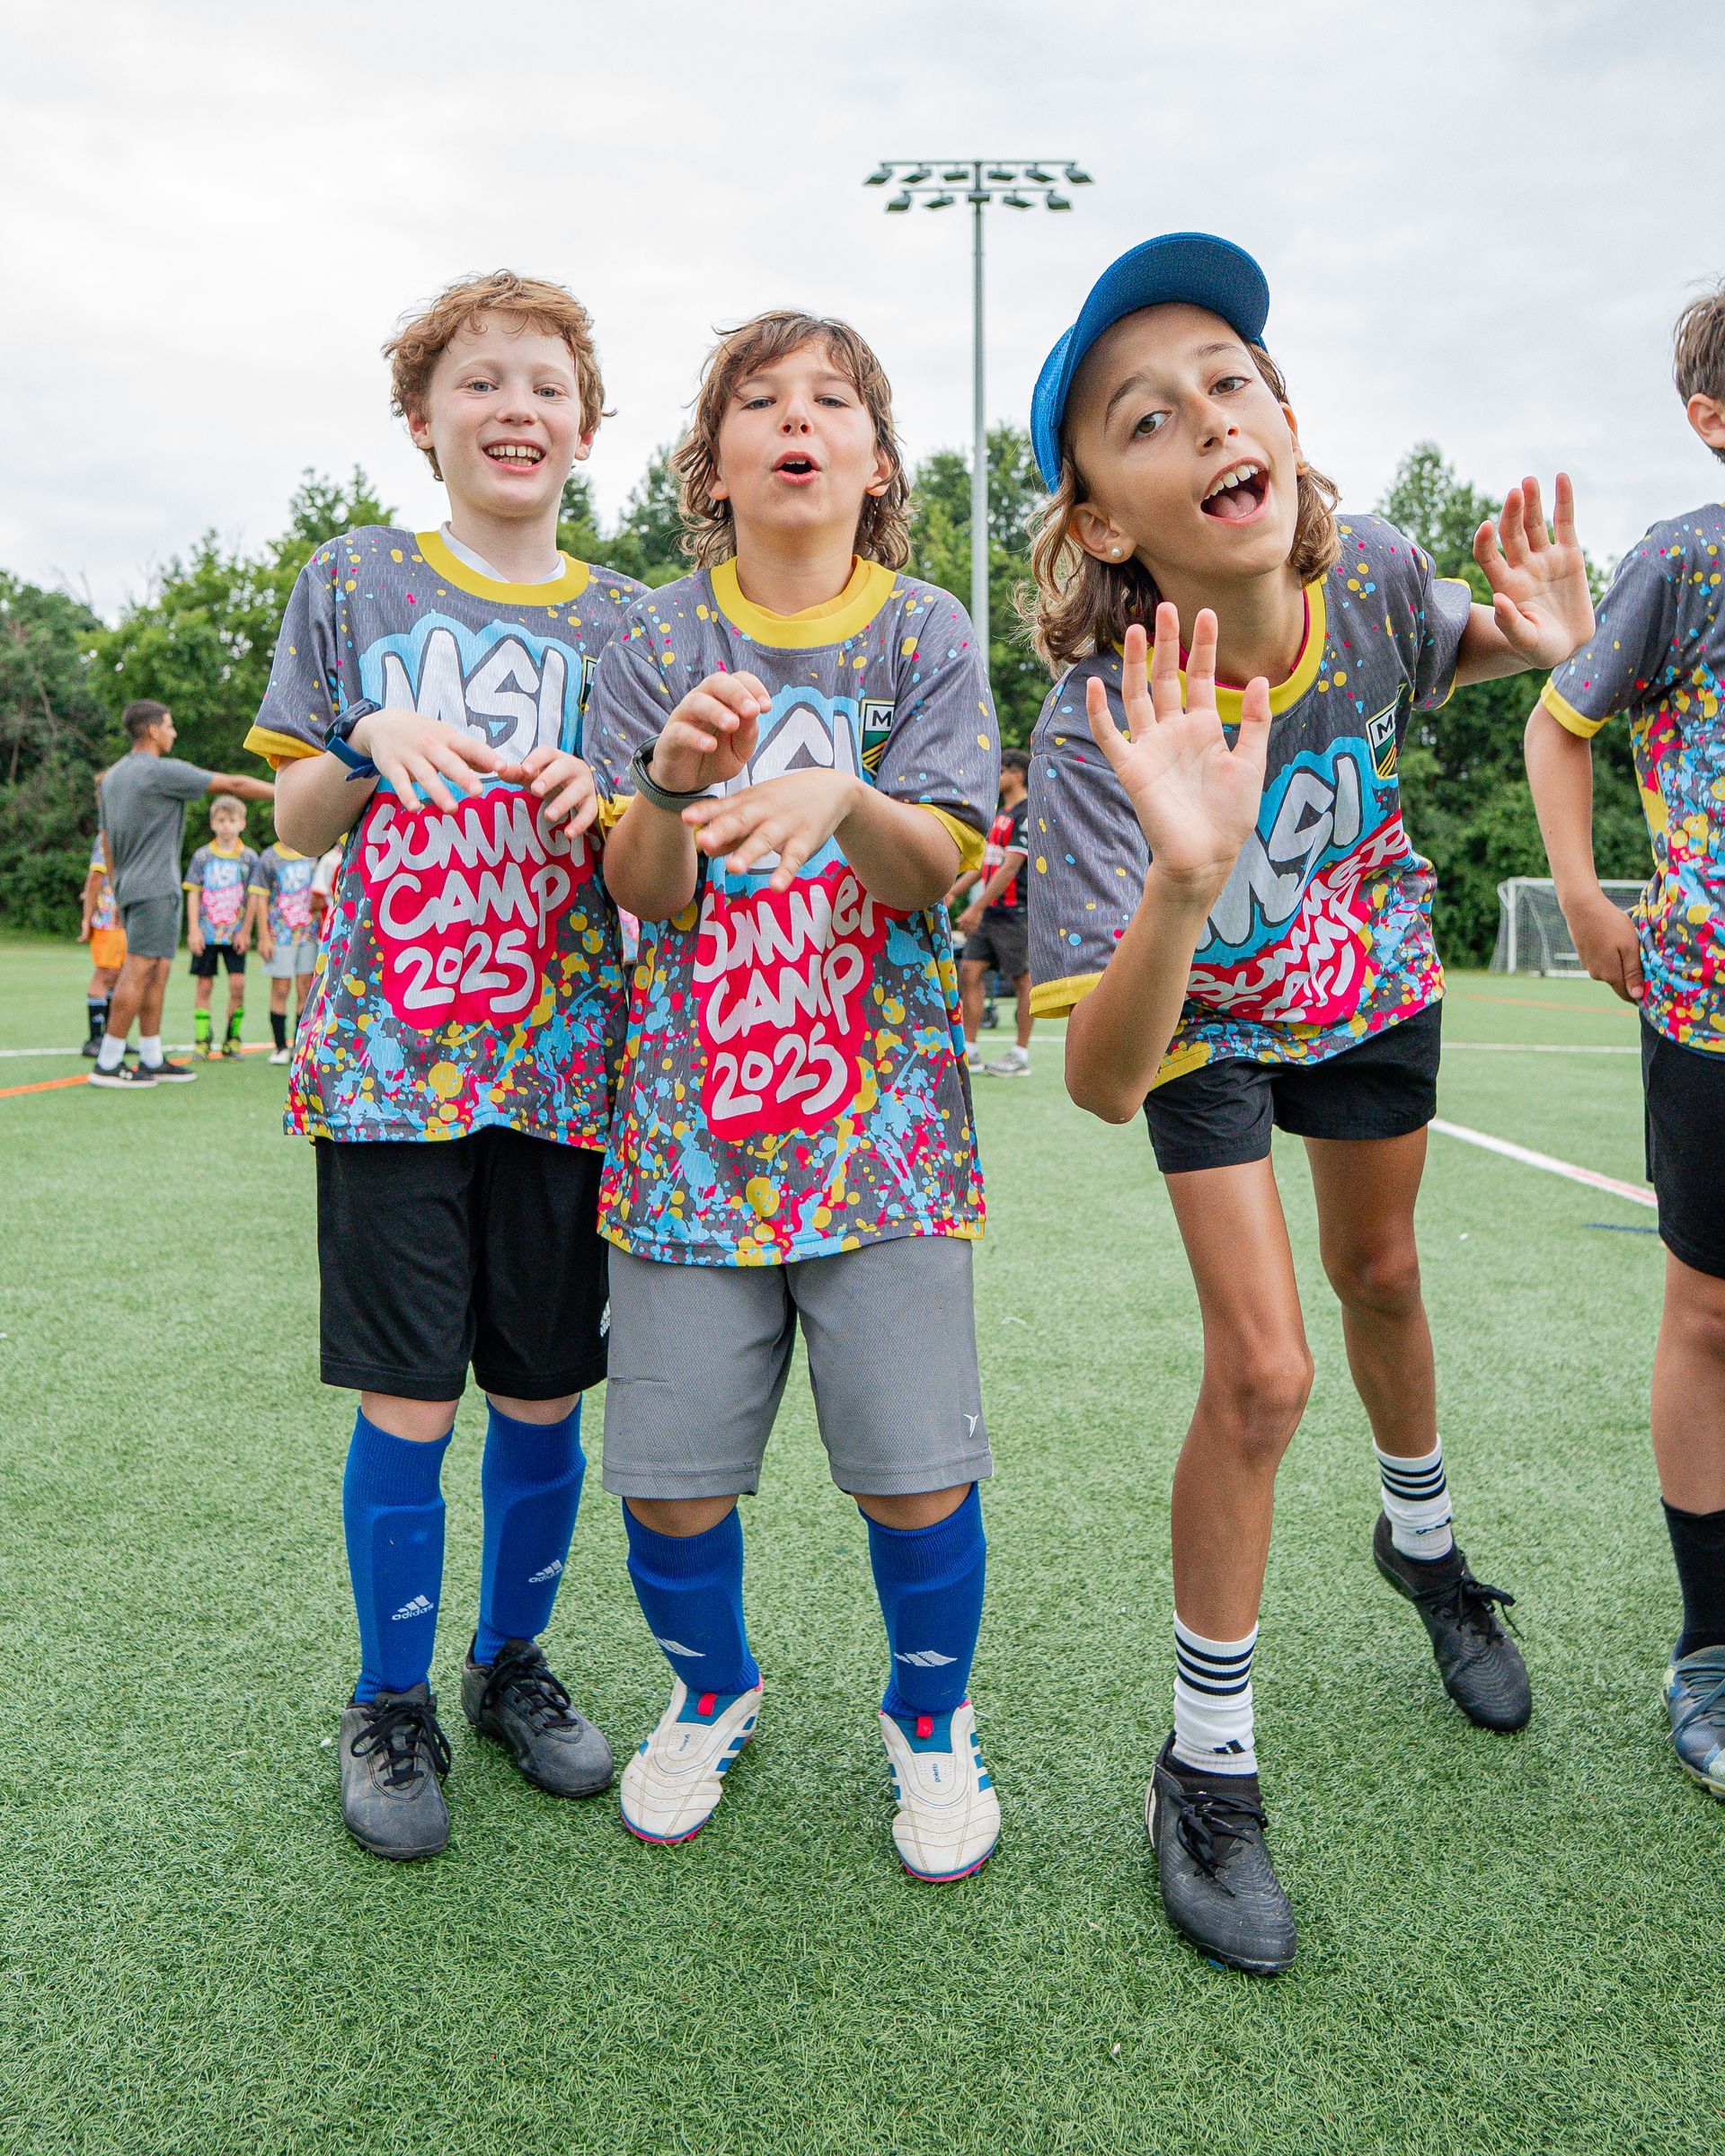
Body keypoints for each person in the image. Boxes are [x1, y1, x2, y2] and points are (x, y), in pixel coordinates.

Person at [1023, 234, 1595, 1973]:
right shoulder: (1091, 734)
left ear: (1283, 420)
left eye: (1231, 381)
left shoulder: (1378, 584)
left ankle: (1421, 1548)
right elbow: (1101, 1083)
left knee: (1388, 1285)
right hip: (1197, 1019)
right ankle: (1202, 1768)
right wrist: (1184, 880)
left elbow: (1463, 647)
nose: (1207, 416)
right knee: (1262, 1370)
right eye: (1147, 415)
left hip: (1368, 984)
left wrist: (1554, 647)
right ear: (1110, 519)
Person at [589, 310, 1002, 1884]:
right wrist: (671, 790)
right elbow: (644, 890)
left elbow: (939, 868)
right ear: (714, 467)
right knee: (675, 1482)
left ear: (877, 463)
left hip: (882, 1137)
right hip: (687, 1135)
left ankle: (931, 1723)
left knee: (914, 1470)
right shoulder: (645, 640)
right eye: (757, 403)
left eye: (829, 401)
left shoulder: (929, 633)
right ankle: (713, 1690)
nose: (794, 421)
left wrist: (845, 796)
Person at [250, 270, 646, 1861]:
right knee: (410, 1397)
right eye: (480, 382)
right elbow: (288, 819)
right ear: (423, 423)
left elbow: (655, 856)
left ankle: (510, 1664)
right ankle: (390, 1696)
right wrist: (364, 751)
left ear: (586, 425)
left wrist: (606, 805)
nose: (515, 408)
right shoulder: (354, 583)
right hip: (391, 1064)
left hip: (564, 1070)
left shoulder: (632, 624)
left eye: (546, 383)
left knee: (544, 1393)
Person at [1524, 279, 1725, 1802]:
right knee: (1711, 1319)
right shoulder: (1684, 564)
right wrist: (1588, 899)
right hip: (1711, 1009)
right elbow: (1558, 722)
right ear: (1710, 420)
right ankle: (1712, 1652)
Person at [91, 701, 273, 1088]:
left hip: (131, 886)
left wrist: (119, 886)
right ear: (153, 731)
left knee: (158, 970)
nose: (173, 733)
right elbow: (234, 785)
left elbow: (106, 841)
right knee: (138, 970)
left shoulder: (112, 778)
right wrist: (288, 792)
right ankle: (108, 1062)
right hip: (156, 887)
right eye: (170, 726)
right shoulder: (160, 772)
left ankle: (152, 1057)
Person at [949, 747, 1035, 1076]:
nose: (996, 776)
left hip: (1016, 911)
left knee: (1022, 980)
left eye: (1002, 770)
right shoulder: (1001, 814)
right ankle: (969, 1050)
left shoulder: (1027, 814)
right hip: (990, 913)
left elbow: (1011, 866)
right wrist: (954, 892)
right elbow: (985, 862)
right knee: (969, 973)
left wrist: (975, 907)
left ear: (1017, 774)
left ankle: (1020, 1054)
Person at [183, 797, 258, 1058]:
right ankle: (202, 1039)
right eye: (221, 821)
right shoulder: (203, 856)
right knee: (204, 986)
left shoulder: (249, 858)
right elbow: (193, 892)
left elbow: (254, 897)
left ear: (242, 824)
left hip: (235, 934)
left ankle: (232, 1038)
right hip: (207, 933)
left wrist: (246, 930)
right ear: (213, 824)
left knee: (238, 985)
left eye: (232, 821)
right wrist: (193, 929)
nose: (227, 826)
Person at [245, 839, 320, 1063]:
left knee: (305, 988)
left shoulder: (313, 852)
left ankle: (300, 1046)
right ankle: (280, 1046)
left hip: (308, 934)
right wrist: (264, 937)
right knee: (281, 988)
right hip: (280, 935)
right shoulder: (269, 858)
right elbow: (260, 898)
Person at [77, 813, 126, 1056]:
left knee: (120, 977)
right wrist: (87, 918)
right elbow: (95, 876)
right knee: (105, 974)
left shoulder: (130, 830)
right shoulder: (107, 836)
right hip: (109, 916)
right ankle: (95, 1039)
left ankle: (112, 1036)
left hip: (126, 918)